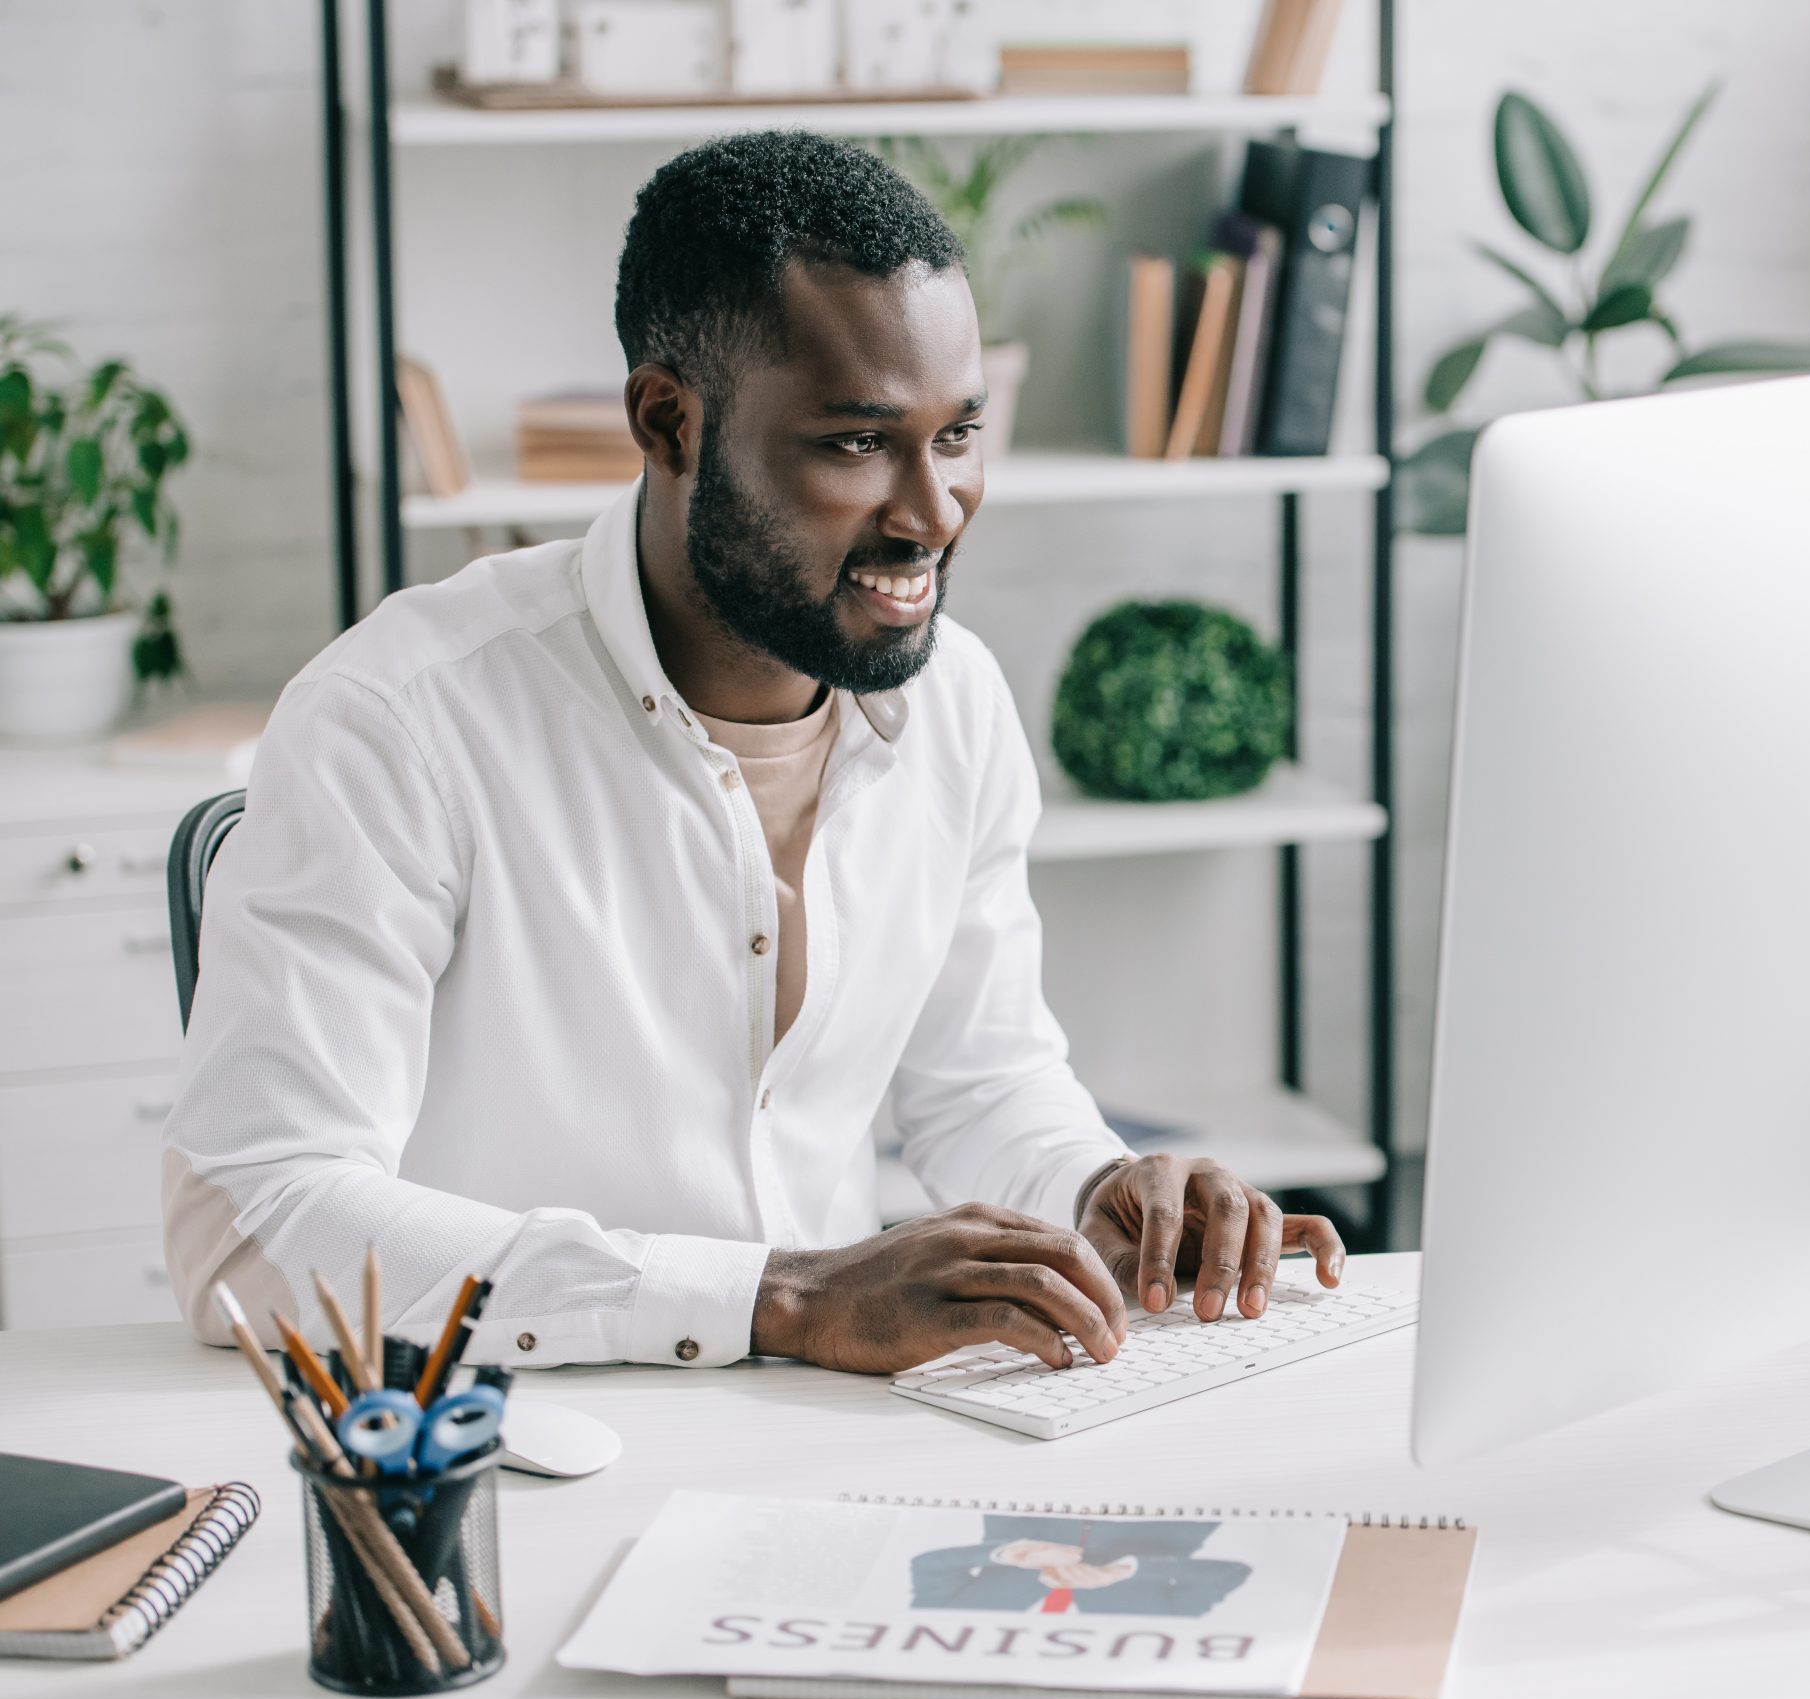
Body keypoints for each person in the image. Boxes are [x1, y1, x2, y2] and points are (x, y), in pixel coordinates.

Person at [162, 130, 1344, 1376]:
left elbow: (981, 1083)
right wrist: (773, 1297)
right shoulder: (401, 718)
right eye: (854, 443)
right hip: (501, 1438)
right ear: (669, 421)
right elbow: (251, 1221)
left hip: (839, 1432)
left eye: (956, 436)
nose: (933, 513)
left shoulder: (958, 703)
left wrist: (1093, 1189)